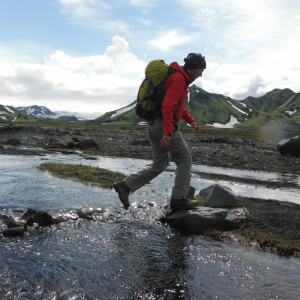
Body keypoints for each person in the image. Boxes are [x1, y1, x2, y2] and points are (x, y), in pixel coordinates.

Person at [113, 53, 206, 210]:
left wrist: (190, 120)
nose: (201, 74)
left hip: (153, 124)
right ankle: (179, 200)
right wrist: (168, 133)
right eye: (199, 70)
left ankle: (125, 186)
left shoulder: (176, 77)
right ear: (192, 68)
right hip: (162, 124)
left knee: (160, 163)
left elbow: (176, 106)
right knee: (185, 159)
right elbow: (168, 106)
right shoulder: (178, 79)